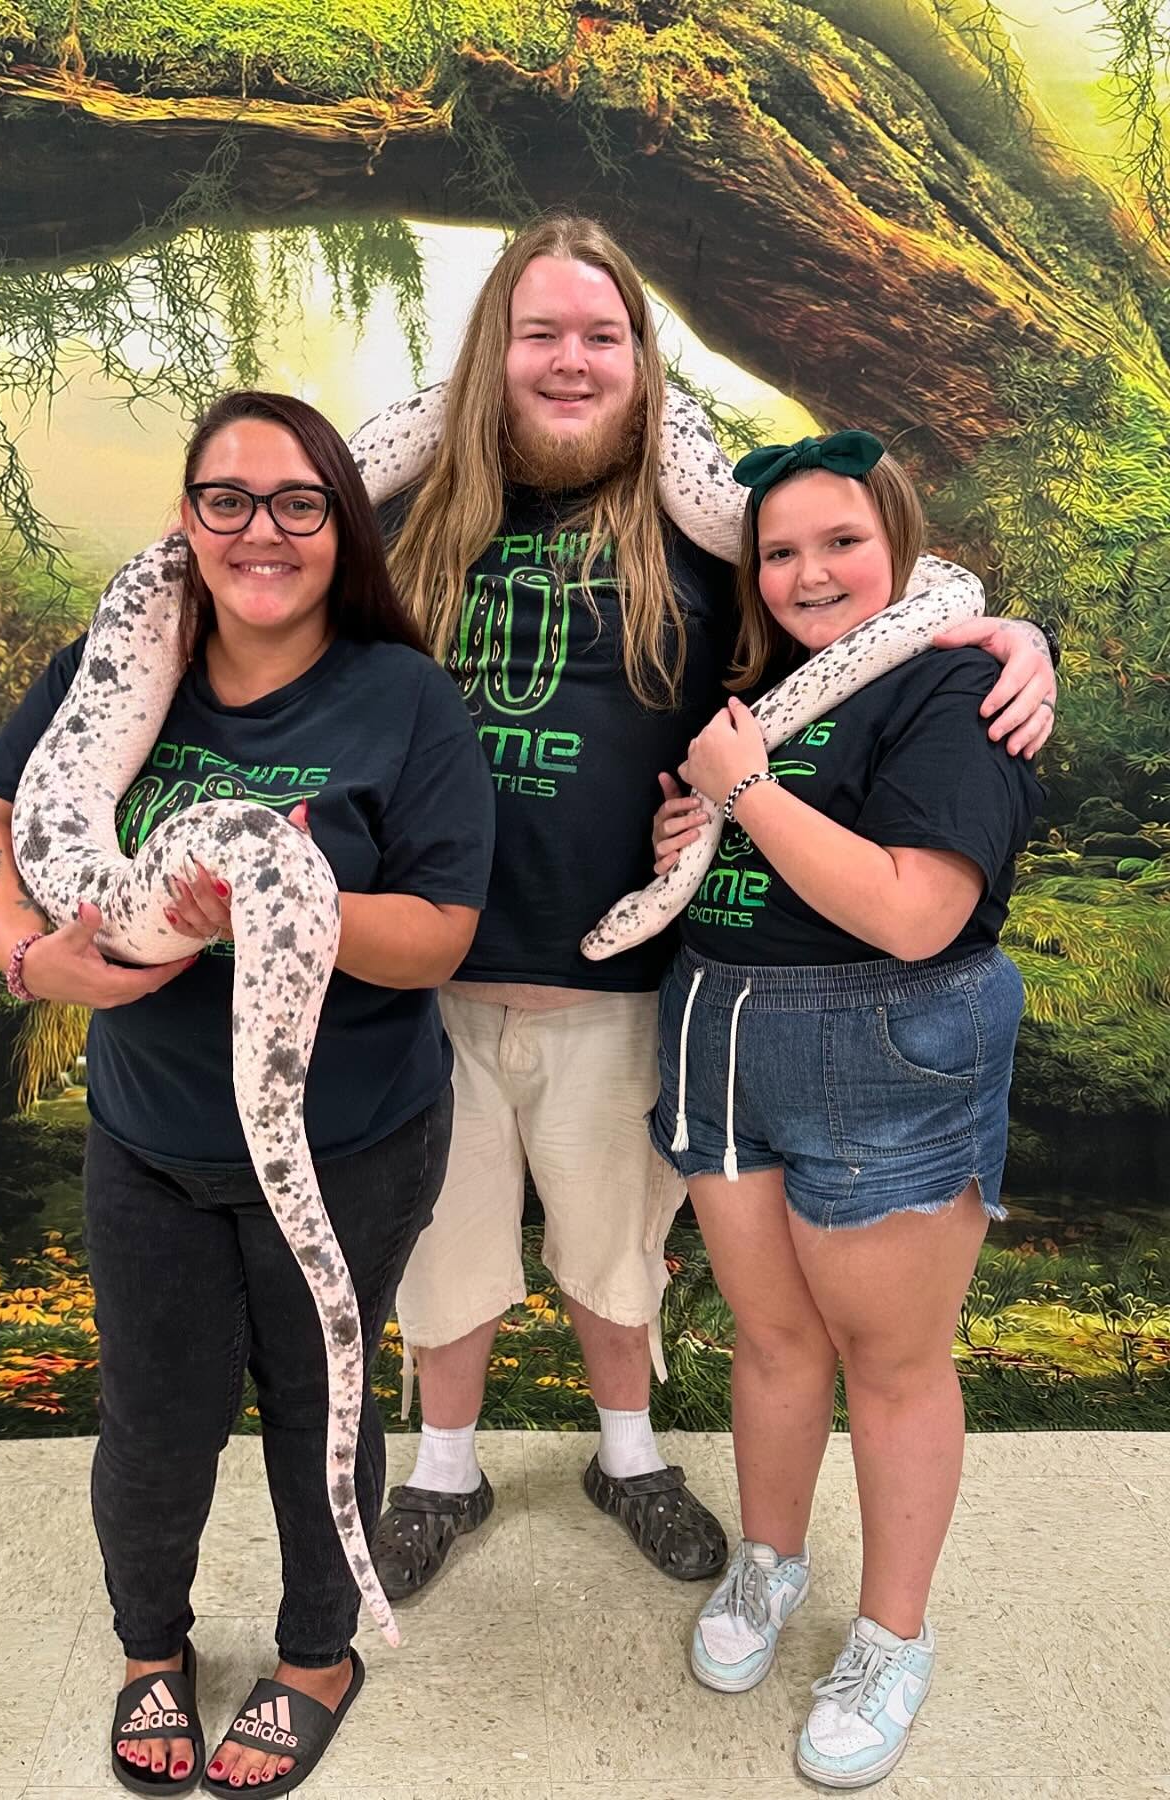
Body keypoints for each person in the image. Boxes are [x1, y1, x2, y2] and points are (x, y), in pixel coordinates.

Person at [361, 215, 1057, 1599]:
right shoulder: (394, 517)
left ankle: (632, 1455)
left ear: (645, 362)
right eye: (539, 333)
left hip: (627, 984)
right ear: (489, 353)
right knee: (441, 1251)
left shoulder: (715, 532)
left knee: (616, 1251)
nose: (569, 362)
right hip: (417, 973)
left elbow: (861, 595)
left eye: (601, 336)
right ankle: (442, 1471)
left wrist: (1009, 626)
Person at [0, 392, 495, 1798]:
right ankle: (152, 1649)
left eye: (299, 502)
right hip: (151, 1134)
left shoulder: (404, 696)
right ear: (186, 522)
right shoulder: (114, 661)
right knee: (154, 1416)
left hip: (358, 1133)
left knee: (329, 1393)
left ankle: (317, 1654)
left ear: (345, 524)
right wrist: (25, 952)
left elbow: (440, 930)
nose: (263, 530)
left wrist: (275, 900)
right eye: (228, 499)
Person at [648, 432, 1041, 1790]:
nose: (811, 573)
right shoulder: (768, 684)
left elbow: (915, 907)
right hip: (721, 1030)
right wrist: (692, 838)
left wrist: (741, 791)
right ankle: (769, 1565)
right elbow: (734, 851)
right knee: (768, 1341)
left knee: (892, 1365)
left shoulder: (954, 685)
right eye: (781, 552)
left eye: (842, 543)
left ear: (904, 548)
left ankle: (892, 1635)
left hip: (885, 1042)